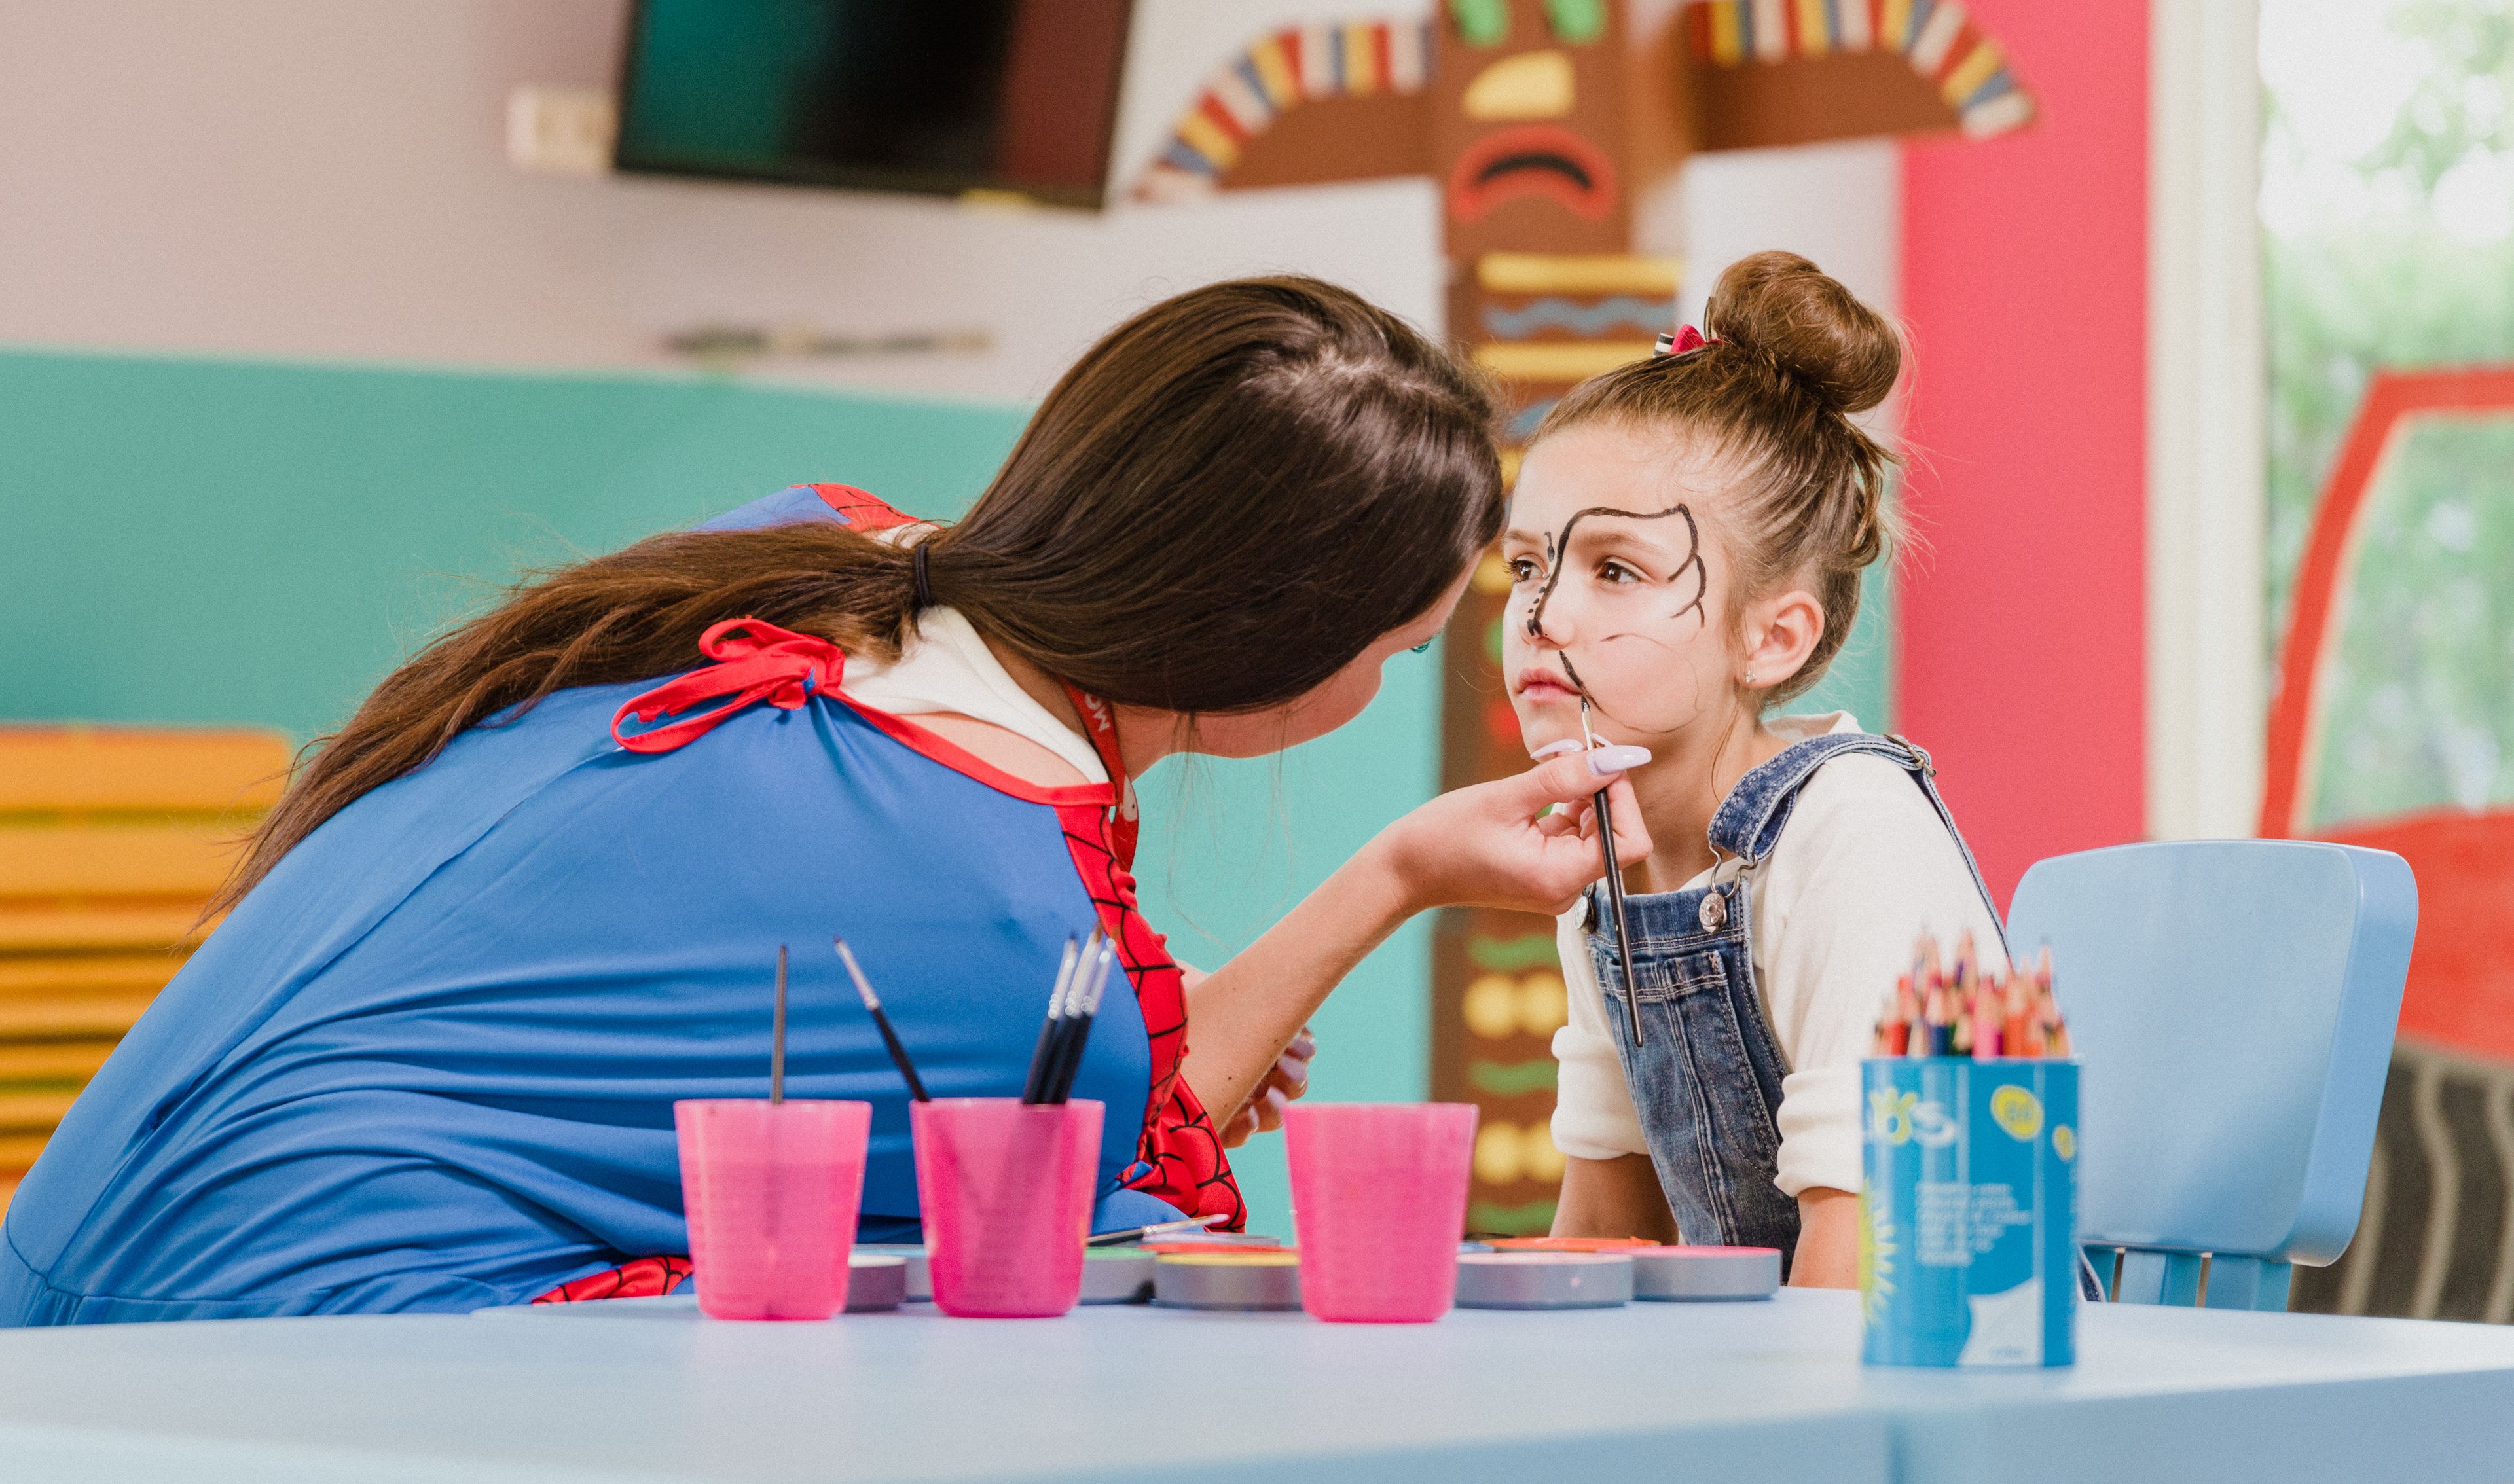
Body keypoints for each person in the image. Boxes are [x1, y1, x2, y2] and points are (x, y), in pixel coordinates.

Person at [0, 276, 1649, 1323]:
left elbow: (1058, 1052)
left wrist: (1380, 881)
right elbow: (1057, 1179)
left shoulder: (823, 561)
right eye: (1399, 648)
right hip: (286, 1361)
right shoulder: (999, 888)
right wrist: (1401, 876)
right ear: (1261, 638)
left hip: (77, 1279)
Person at [1500, 252, 2004, 1287]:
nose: (1542, 616)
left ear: (1770, 640)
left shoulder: (1853, 835)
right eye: (1526, 567)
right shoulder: (1603, 862)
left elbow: (1868, 1261)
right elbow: (1605, 1223)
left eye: (1615, 569)